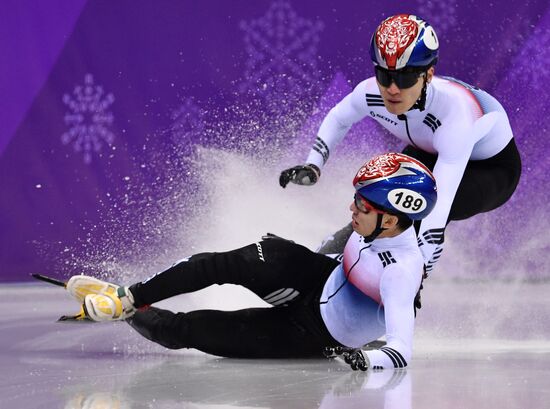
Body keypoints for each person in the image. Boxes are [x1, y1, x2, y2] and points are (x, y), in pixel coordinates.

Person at [65, 152, 437, 371]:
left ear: (390, 219)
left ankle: (130, 313)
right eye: (355, 199)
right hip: (314, 277)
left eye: (362, 205)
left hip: (312, 335)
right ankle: (128, 297)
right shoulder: (374, 224)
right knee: (220, 263)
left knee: (184, 333)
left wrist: (364, 360)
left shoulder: (400, 274)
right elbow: (340, 243)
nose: (351, 208)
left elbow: (401, 351)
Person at [279, 14, 521, 274]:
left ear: (428, 75)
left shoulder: (456, 115)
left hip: (490, 169)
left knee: (410, 211)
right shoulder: (370, 92)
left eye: (405, 78)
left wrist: (418, 275)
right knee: (376, 199)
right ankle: (330, 255)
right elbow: (339, 118)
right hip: (428, 151)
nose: (393, 89)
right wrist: (313, 165)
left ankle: (374, 276)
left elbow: (435, 212)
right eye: (384, 76)